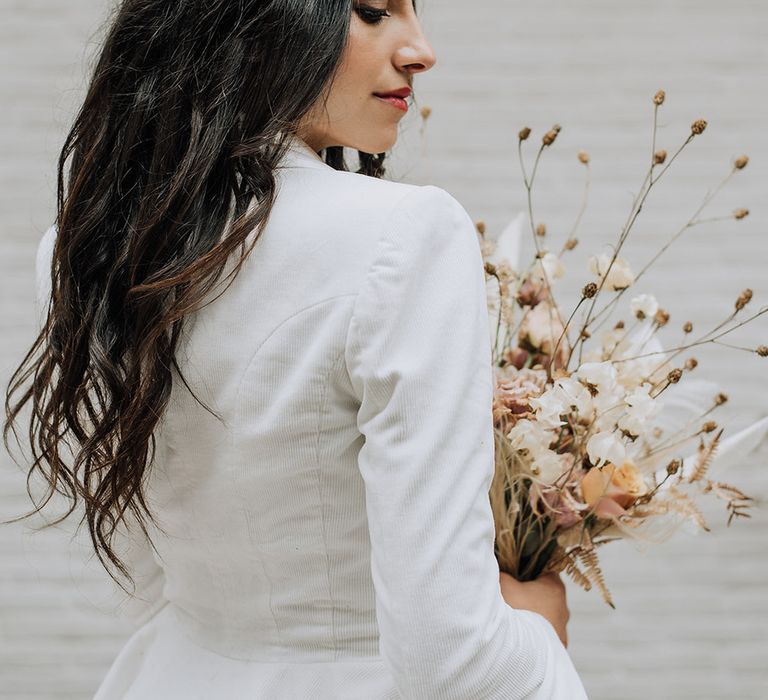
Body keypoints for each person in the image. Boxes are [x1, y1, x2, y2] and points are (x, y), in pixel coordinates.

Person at [4, 1, 589, 697]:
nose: (421, 51)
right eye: (372, 13)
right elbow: (448, 660)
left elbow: (142, 577)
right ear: (256, 20)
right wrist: (535, 628)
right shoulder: (405, 236)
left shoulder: (85, 254)